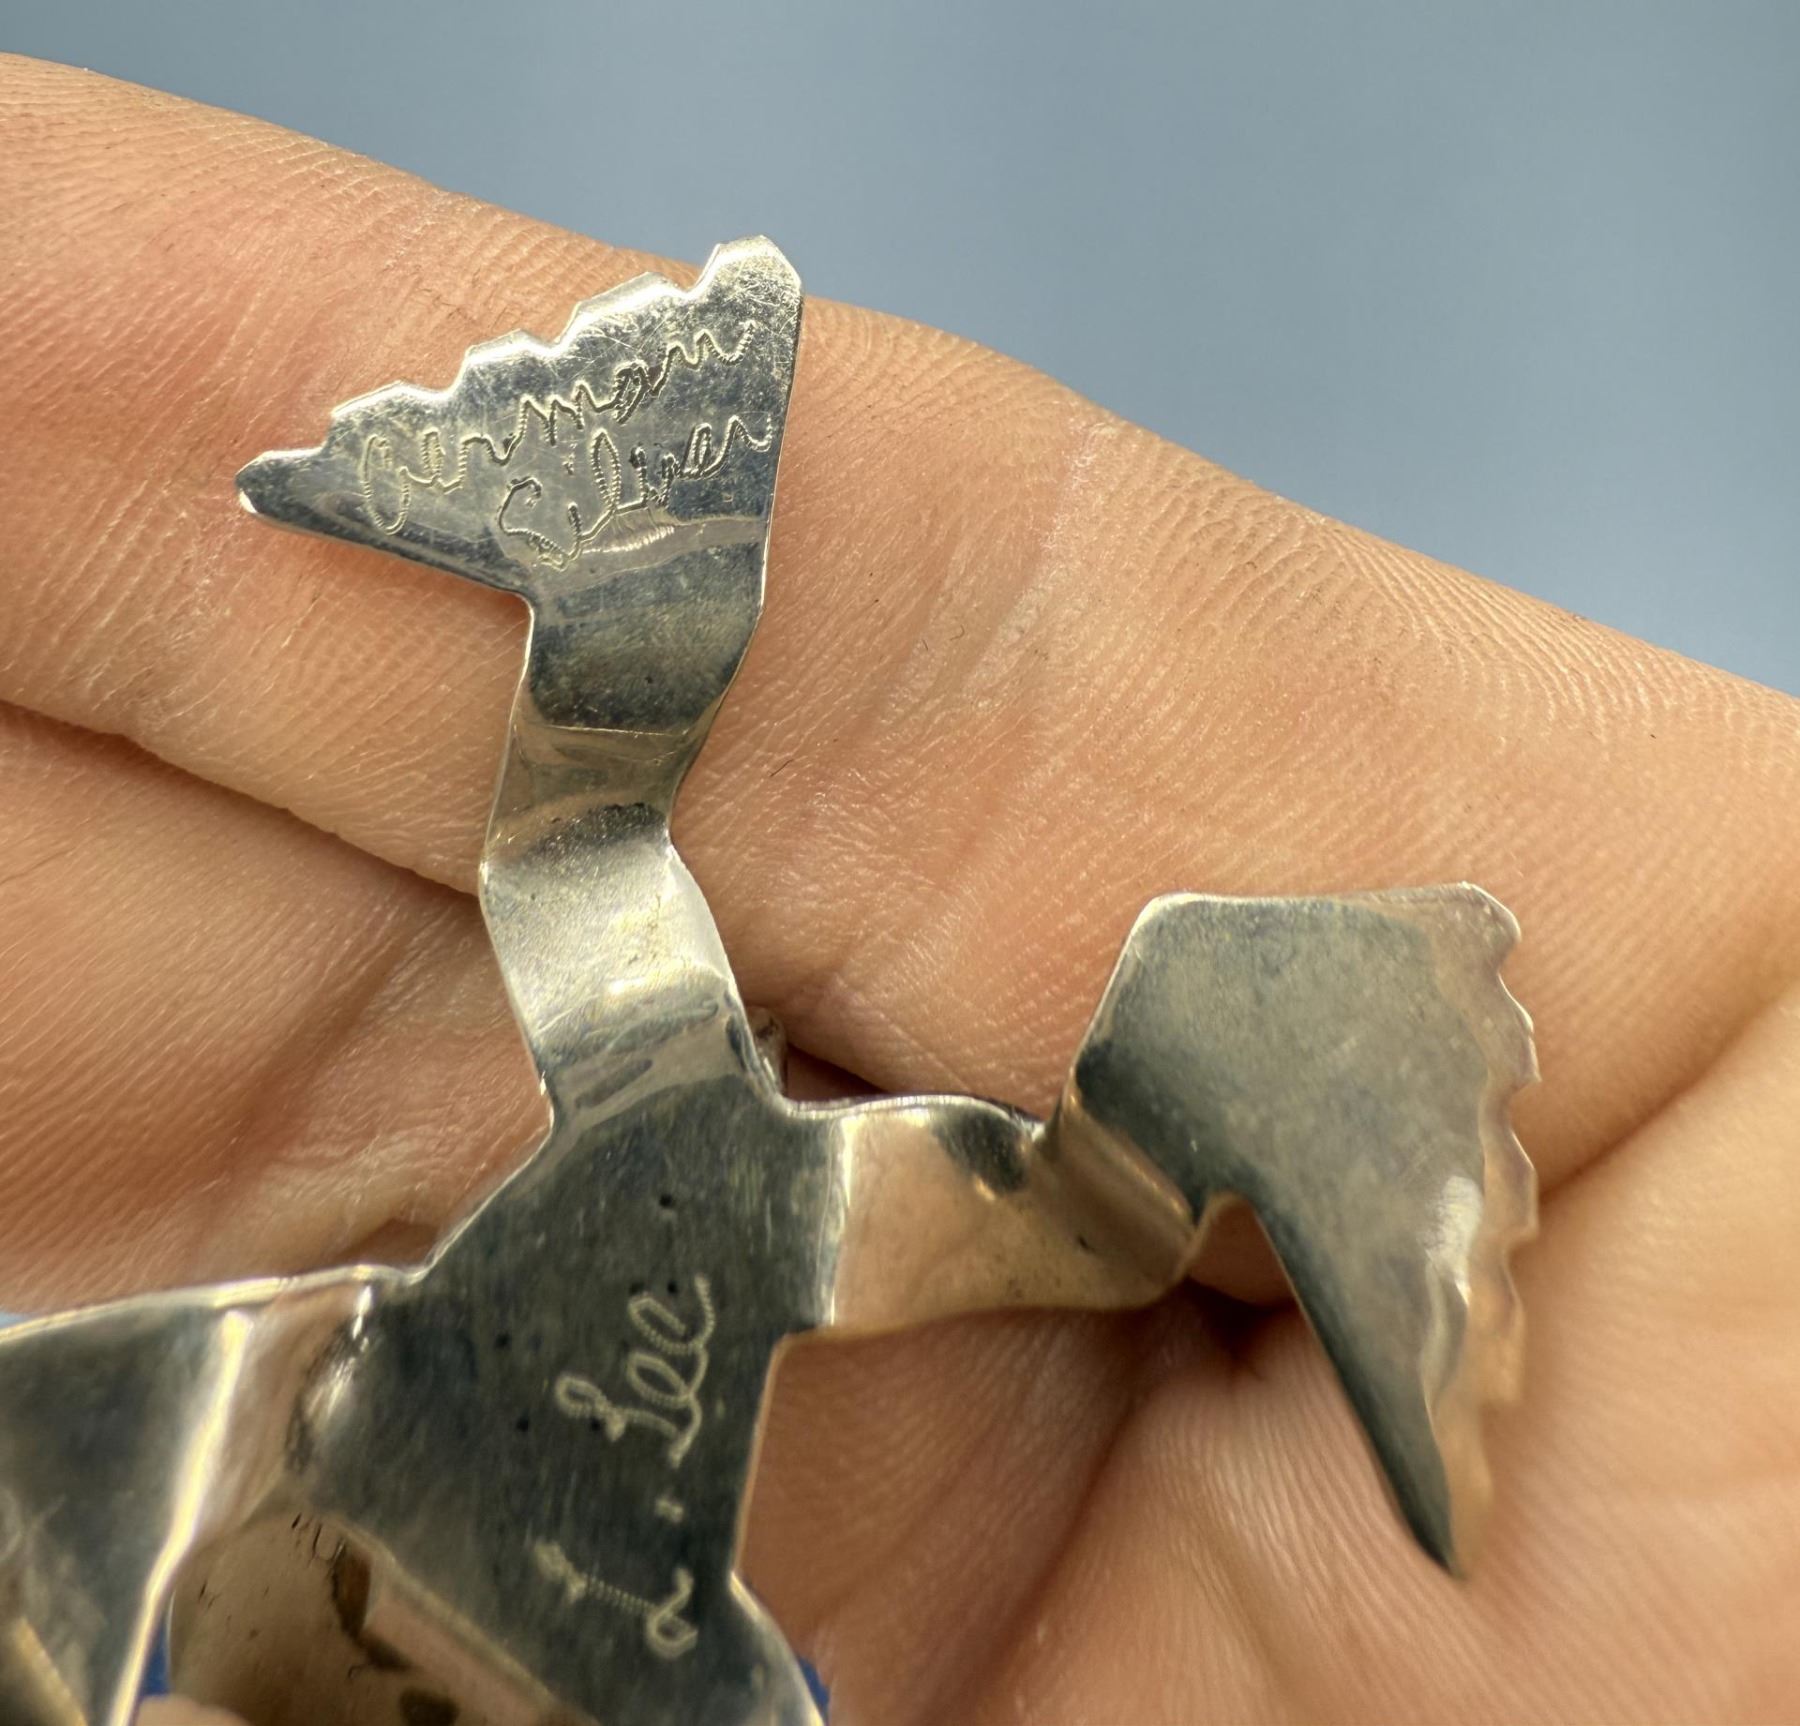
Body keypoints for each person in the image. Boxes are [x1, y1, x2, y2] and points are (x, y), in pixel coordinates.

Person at [1, 52, 1796, 1726]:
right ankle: (652, 544)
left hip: (535, 1472)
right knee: (590, 889)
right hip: (532, 1460)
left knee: (589, 886)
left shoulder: (735, 1218)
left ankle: (652, 543)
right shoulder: (736, 1211)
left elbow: (1043, 1204)